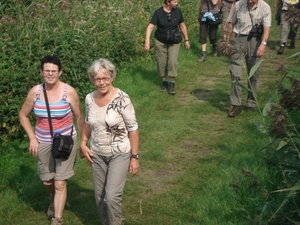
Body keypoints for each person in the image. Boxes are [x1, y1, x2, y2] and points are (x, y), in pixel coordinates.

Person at [19, 55, 84, 225]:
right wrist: (32, 138)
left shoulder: (68, 91)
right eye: (47, 71)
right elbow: (23, 115)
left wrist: (83, 141)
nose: (50, 74)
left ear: (60, 72)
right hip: (42, 141)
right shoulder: (36, 92)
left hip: (65, 140)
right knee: (48, 180)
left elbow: (79, 116)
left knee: (60, 182)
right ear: (41, 72)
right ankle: (54, 196)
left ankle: (57, 218)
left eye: (54, 71)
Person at [80, 58, 139, 225]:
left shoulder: (122, 99)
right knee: (100, 198)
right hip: (97, 154)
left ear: (112, 77)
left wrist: (134, 157)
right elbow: (88, 122)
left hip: (119, 153)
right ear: (92, 79)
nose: (101, 82)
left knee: (111, 197)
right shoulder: (89, 99)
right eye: (97, 79)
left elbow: (133, 129)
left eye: (105, 78)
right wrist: (83, 142)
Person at [226, 0, 271, 117]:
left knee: (254, 73)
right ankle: (236, 105)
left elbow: (267, 27)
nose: (250, 1)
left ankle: (251, 102)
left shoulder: (265, 7)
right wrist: (227, 42)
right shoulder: (238, 5)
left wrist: (263, 44)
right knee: (235, 72)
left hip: (255, 42)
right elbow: (230, 23)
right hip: (238, 39)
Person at [144, 0, 190, 95]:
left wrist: (186, 40)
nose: (177, 3)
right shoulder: (158, 12)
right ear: (168, 2)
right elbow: (150, 27)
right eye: (174, 2)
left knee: (172, 62)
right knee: (162, 62)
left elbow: (182, 26)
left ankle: (172, 83)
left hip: (174, 41)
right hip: (160, 41)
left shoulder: (177, 11)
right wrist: (147, 42)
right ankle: (164, 82)